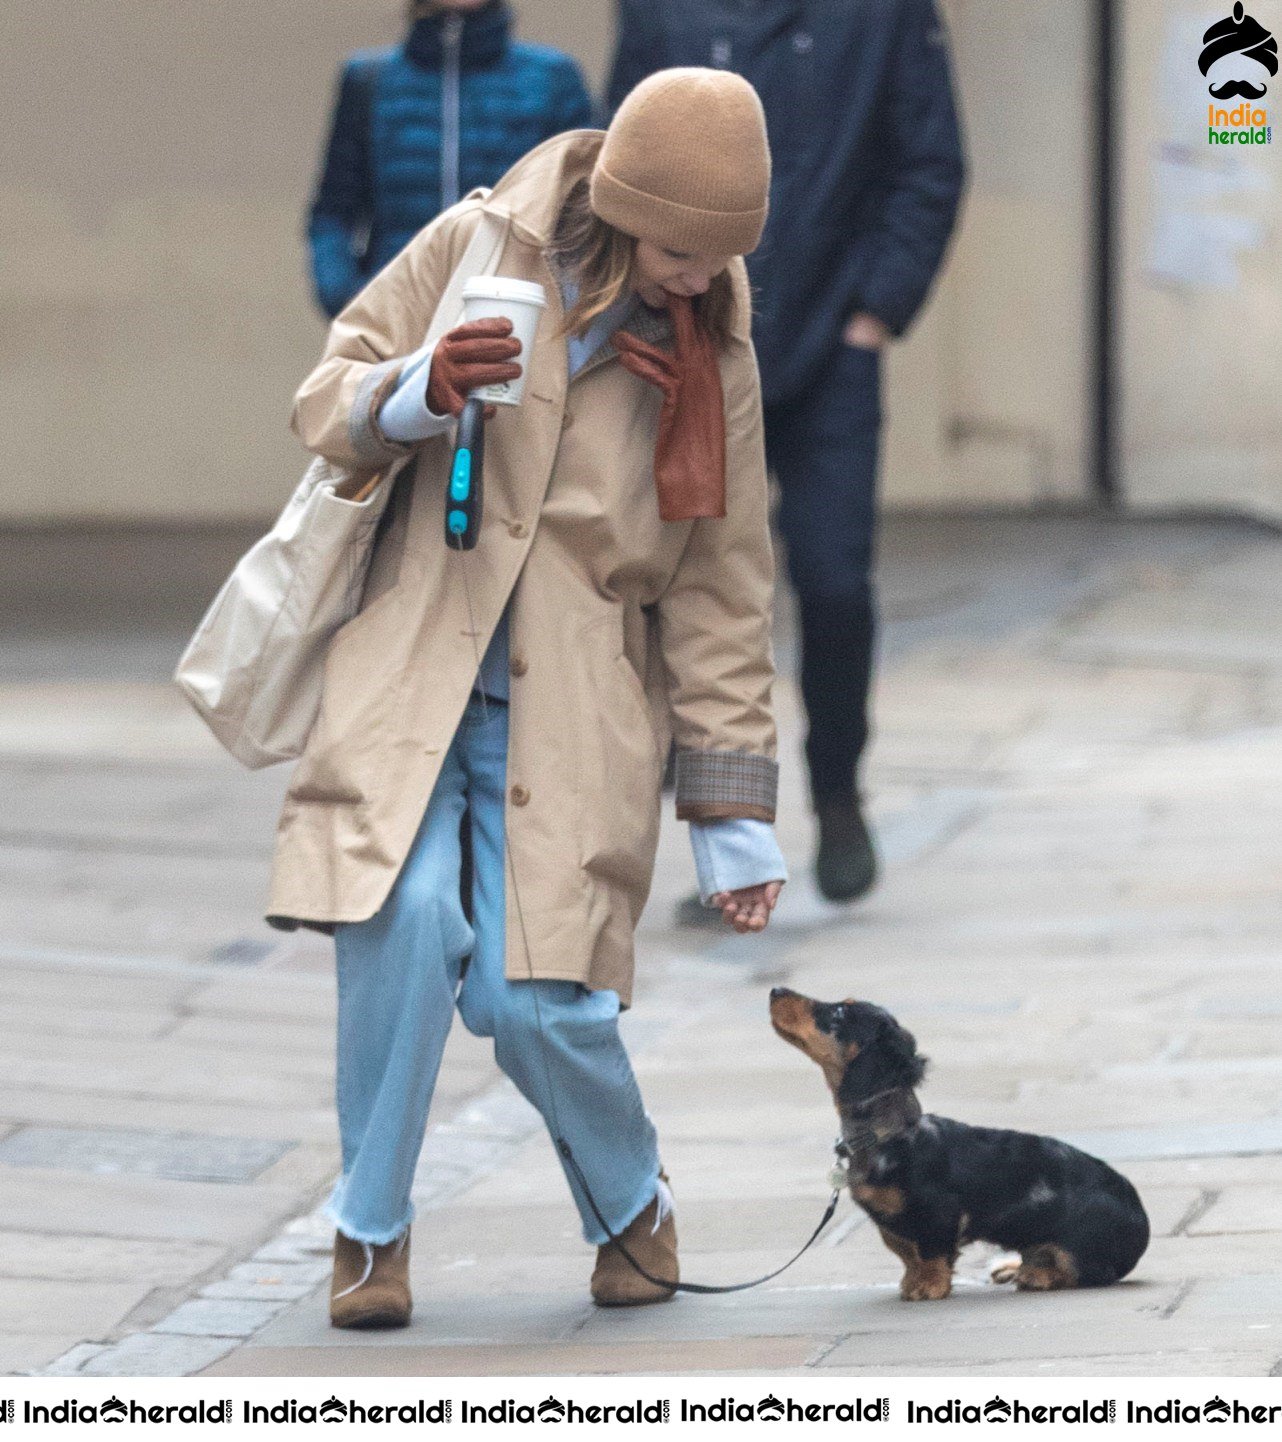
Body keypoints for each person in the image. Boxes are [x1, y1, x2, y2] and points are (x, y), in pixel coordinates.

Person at [269, 68, 788, 1326]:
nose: (695, 277)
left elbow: (722, 585)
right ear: (620, 206)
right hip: (412, 668)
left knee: (539, 998)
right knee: (401, 931)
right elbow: (322, 394)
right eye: (677, 249)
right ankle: (368, 1233)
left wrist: (728, 809)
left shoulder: (711, 336)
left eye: (720, 257)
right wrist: (417, 387)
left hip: (579, 698)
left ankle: (631, 1204)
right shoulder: (472, 241)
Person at [609, 1, 966, 907]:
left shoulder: (885, 12)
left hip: (833, 348)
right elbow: (624, 160)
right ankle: (719, 827)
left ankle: (838, 791)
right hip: (693, 330)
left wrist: (875, 313)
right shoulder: (663, 10)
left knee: (838, 584)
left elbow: (930, 161)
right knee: (681, 588)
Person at [307, 0, 594, 319]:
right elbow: (333, 212)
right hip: (399, 319)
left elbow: (586, 213)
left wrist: (561, 304)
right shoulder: (369, 80)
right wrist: (349, 298)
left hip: (517, 317)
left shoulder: (553, 78)